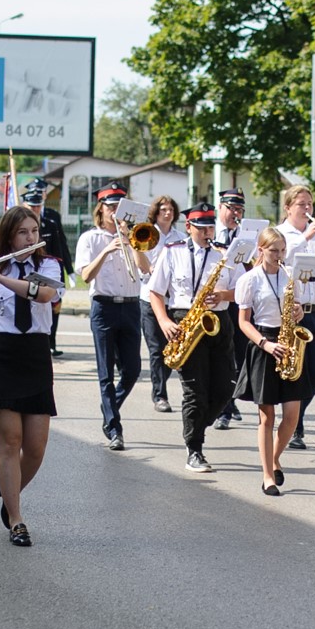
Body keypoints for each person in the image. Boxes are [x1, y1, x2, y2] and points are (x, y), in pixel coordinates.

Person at [0, 204, 63, 547]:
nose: (31, 237)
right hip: (1, 353)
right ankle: (17, 519)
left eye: (34, 231)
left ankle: (9, 490)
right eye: (23, 232)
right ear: (9, 235)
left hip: (35, 353)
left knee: (36, 446)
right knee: (11, 441)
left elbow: (44, 294)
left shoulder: (47, 265)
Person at [147, 205, 242, 473]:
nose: (206, 233)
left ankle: (197, 426)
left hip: (218, 322)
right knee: (195, 391)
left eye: (210, 227)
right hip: (184, 319)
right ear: (188, 227)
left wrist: (223, 296)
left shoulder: (225, 254)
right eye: (200, 228)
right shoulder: (173, 252)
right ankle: (195, 448)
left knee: (225, 389)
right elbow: (156, 292)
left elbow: (243, 291)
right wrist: (165, 321)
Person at [233, 228, 306, 495]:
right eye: (273, 250)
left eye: (282, 250)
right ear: (261, 250)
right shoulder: (250, 280)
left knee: (292, 415)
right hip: (263, 343)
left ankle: (274, 457)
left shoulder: (289, 277)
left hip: (288, 344)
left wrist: (298, 311)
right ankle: (267, 475)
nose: (279, 256)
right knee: (267, 416)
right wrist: (265, 344)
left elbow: (295, 309)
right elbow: (243, 322)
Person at [77, 186, 151, 450]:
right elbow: (85, 276)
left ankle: (109, 406)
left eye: (119, 208)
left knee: (132, 371)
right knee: (105, 372)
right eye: (110, 207)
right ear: (101, 209)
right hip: (104, 307)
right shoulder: (90, 238)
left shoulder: (137, 237)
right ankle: (114, 428)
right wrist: (107, 250)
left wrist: (133, 243)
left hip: (130, 307)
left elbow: (145, 268)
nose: (114, 212)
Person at [274, 185, 315, 450]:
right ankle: (295, 426)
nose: (308, 209)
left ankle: (294, 415)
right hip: (294, 311)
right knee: (297, 371)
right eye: (301, 204)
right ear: (288, 207)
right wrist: (306, 238)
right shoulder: (279, 233)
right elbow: (278, 260)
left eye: (310, 204)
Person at [21, 180, 73, 357]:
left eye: (38, 205)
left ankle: (50, 342)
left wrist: (67, 272)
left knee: (51, 308)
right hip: (24, 268)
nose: (35, 209)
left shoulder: (50, 221)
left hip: (46, 268)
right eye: (32, 205)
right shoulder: (16, 221)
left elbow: (59, 247)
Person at [212, 189, 250, 430]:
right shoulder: (210, 231)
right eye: (231, 208)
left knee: (240, 356)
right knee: (221, 358)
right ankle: (224, 408)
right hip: (217, 302)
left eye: (239, 209)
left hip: (241, 301)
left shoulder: (247, 236)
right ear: (220, 207)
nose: (235, 213)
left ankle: (229, 400)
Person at [142, 195, 183, 413]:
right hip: (149, 297)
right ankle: (160, 395)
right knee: (156, 349)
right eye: (163, 209)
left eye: (170, 209)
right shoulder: (147, 233)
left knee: (171, 348)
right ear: (156, 212)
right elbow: (142, 265)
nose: (167, 213)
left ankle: (161, 385)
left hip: (172, 299)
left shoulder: (180, 237)